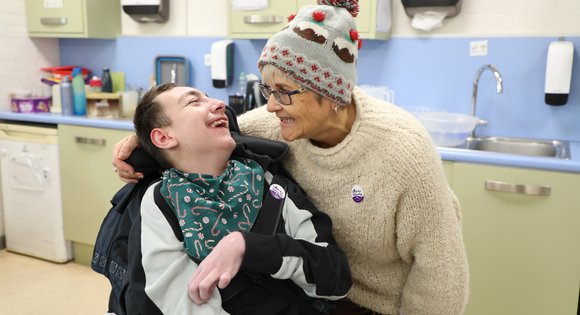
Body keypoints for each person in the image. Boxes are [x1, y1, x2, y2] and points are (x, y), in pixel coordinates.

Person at [113, 1, 469, 314]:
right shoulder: (276, 124)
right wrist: (143, 140)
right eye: (268, 89)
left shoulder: (402, 151)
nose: (269, 106)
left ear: (332, 96)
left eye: (283, 93)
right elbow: (216, 132)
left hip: (378, 306)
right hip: (314, 297)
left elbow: (442, 273)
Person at [127, 82, 351, 314]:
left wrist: (248, 247)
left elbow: (336, 280)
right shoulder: (162, 202)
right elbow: (182, 304)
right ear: (163, 138)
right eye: (194, 101)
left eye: (209, 97)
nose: (219, 104)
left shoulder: (270, 184)